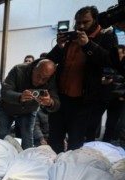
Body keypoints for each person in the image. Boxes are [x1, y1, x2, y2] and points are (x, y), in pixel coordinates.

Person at [46, 5, 117, 153]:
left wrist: (88, 45)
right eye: (77, 23)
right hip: (61, 98)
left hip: (84, 102)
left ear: (95, 21)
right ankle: (54, 171)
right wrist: (59, 47)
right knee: (54, 140)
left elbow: (109, 61)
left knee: (76, 144)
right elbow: (49, 60)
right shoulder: (71, 37)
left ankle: (71, 172)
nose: (81, 26)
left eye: (85, 22)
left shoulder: (106, 36)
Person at [0, 59, 60, 149]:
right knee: (2, 136)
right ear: (34, 69)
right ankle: (2, 156)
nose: (40, 81)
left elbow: (56, 102)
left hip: (29, 111)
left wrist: (50, 102)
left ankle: (26, 160)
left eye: (45, 79)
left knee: (28, 138)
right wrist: (20, 97)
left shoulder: (51, 80)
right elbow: (5, 92)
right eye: (38, 75)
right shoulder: (18, 70)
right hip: (7, 108)